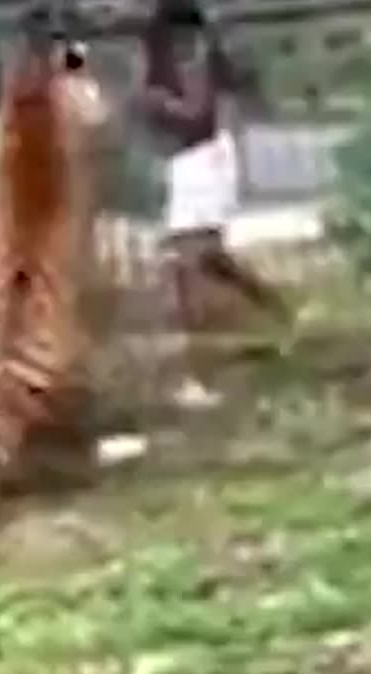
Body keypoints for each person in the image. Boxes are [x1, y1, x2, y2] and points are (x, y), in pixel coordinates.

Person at [134, 0, 288, 408]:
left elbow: (197, 114)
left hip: (201, 160)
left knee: (186, 269)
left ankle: (200, 374)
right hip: (192, 162)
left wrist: (156, 103)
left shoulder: (189, 46)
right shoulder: (163, 40)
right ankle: (275, 314)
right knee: (208, 261)